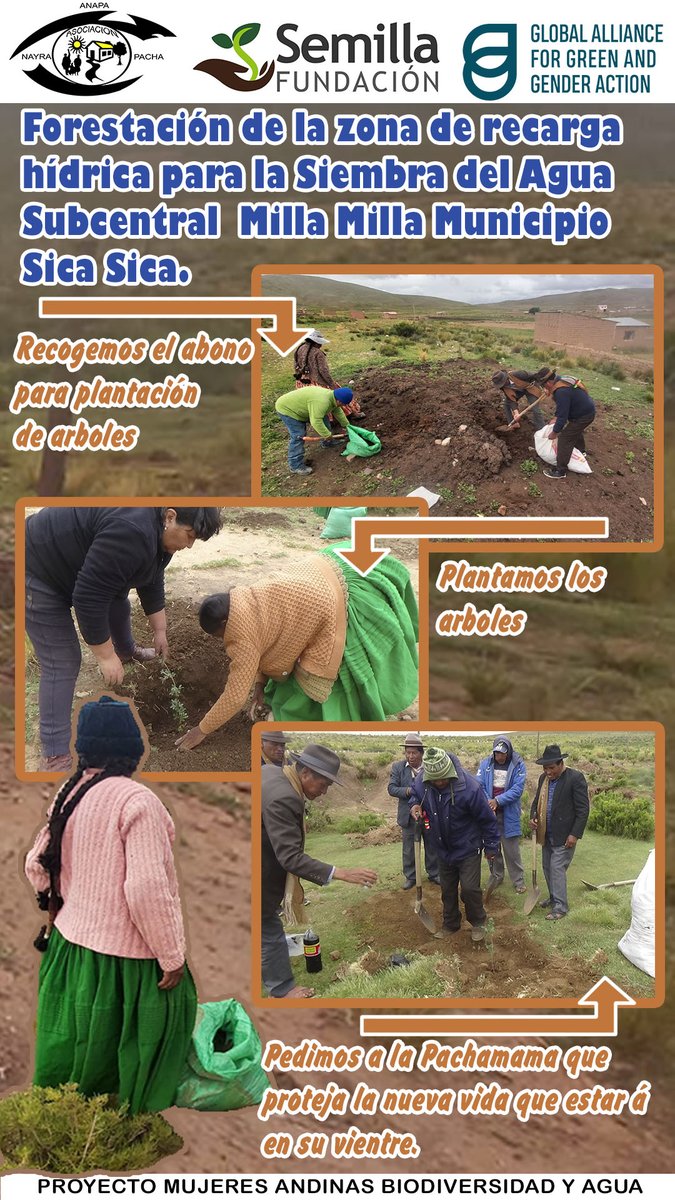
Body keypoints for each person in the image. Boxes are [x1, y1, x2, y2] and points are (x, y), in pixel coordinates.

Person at [24, 695, 196, 1112]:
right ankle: (128, 1113)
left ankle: (62, 1114)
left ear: (83, 746)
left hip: (69, 944)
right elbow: (146, 889)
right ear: (132, 747)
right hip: (124, 956)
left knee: (74, 1036)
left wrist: (66, 907)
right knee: (160, 1015)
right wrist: (171, 955)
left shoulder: (71, 790)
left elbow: (36, 864)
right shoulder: (138, 803)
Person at [25, 505, 222, 771]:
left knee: (118, 598)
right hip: (34, 567)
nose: (189, 545)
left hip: (71, 564)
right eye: (189, 535)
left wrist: (160, 631)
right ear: (171, 516)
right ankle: (54, 754)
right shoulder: (132, 531)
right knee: (63, 661)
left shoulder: (160, 538)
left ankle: (127, 651)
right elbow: (88, 596)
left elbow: (151, 578)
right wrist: (105, 655)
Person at [175, 546, 418, 751]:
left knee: (316, 679)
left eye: (219, 635)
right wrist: (259, 684)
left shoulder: (242, 638)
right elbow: (265, 639)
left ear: (225, 622)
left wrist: (201, 730)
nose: (222, 640)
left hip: (336, 603)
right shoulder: (247, 595)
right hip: (326, 563)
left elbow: (235, 695)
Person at [261, 743, 378, 998]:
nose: (324, 792)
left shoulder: (272, 771)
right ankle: (281, 991)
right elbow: (290, 857)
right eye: (323, 785)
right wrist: (342, 873)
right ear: (305, 775)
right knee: (267, 927)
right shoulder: (285, 797)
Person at [410, 747, 500, 943]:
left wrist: (492, 847)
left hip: (468, 846)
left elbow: (487, 819)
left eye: (443, 779)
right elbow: (416, 794)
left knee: (469, 888)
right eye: (435, 780)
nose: (439, 783)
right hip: (442, 847)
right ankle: (451, 924)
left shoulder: (470, 787)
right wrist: (415, 804)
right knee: (447, 889)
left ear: (449, 772)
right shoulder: (423, 780)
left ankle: (478, 922)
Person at [529, 744, 590, 920]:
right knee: (547, 867)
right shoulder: (543, 779)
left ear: (561, 763)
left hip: (565, 835)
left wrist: (574, 834)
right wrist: (534, 816)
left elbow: (583, 810)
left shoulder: (575, 778)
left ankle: (560, 908)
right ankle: (554, 898)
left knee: (556, 868)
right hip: (546, 833)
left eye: (551, 768)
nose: (548, 771)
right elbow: (535, 803)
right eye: (545, 768)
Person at [475, 737, 527, 894]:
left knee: (511, 849)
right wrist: (489, 802)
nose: (499, 756)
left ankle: (518, 881)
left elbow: (518, 790)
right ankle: (497, 876)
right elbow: (479, 785)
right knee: (493, 846)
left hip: (509, 813)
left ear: (509, 751)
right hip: (490, 813)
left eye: (502, 753)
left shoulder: (518, 765)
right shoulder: (486, 764)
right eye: (496, 753)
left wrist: (497, 800)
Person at [388, 734, 439, 890]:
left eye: (414, 753)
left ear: (421, 753)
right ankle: (410, 877)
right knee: (408, 848)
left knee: (432, 846)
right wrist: (410, 791)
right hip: (408, 816)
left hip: (429, 814)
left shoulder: (430, 766)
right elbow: (392, 788)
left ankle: (434, 874)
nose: (410, 756)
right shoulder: (398, 767)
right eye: (407, 752)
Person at [274, 385, 354, 475]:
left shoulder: (333, 397)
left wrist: (348, 427)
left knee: (324, 419)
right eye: (343, 404)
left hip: (305, 406)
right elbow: (316, 421)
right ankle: (295, 465)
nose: (343, 406)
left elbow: (338, 412)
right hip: (287, 409)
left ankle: (327, 443)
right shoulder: (322, 402)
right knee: (298, 435)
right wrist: (327, 435)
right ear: (339, 400)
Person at [537, 368, 596, 479]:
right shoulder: (561, 380)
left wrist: (554, 432)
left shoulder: (561, 391)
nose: (543, 388)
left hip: (583, 416)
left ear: (549, 383)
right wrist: (556, 417)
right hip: (585, 411)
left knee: (564, 438)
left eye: (543, 385)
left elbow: (562, 418)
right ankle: (581, 451)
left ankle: (560, 471)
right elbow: (563, 407)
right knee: (574, 431)